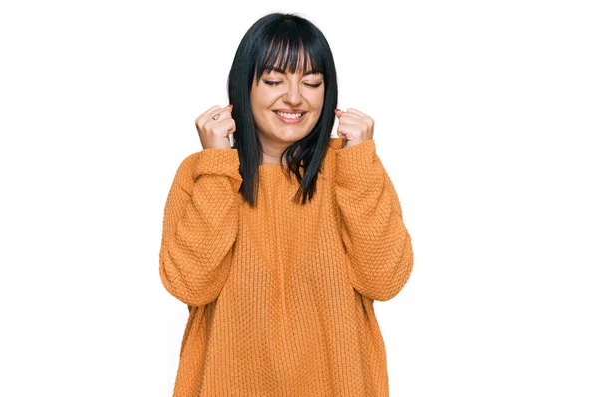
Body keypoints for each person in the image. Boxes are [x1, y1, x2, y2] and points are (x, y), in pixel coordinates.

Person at [159, 12, 414, 397]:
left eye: (311, 82)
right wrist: (216, 165)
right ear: (242, 87)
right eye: (274, 80)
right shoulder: (203, 172)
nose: (294, 97)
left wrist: (359, 161)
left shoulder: (351, 168)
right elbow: (191, 286)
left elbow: (385, 280)